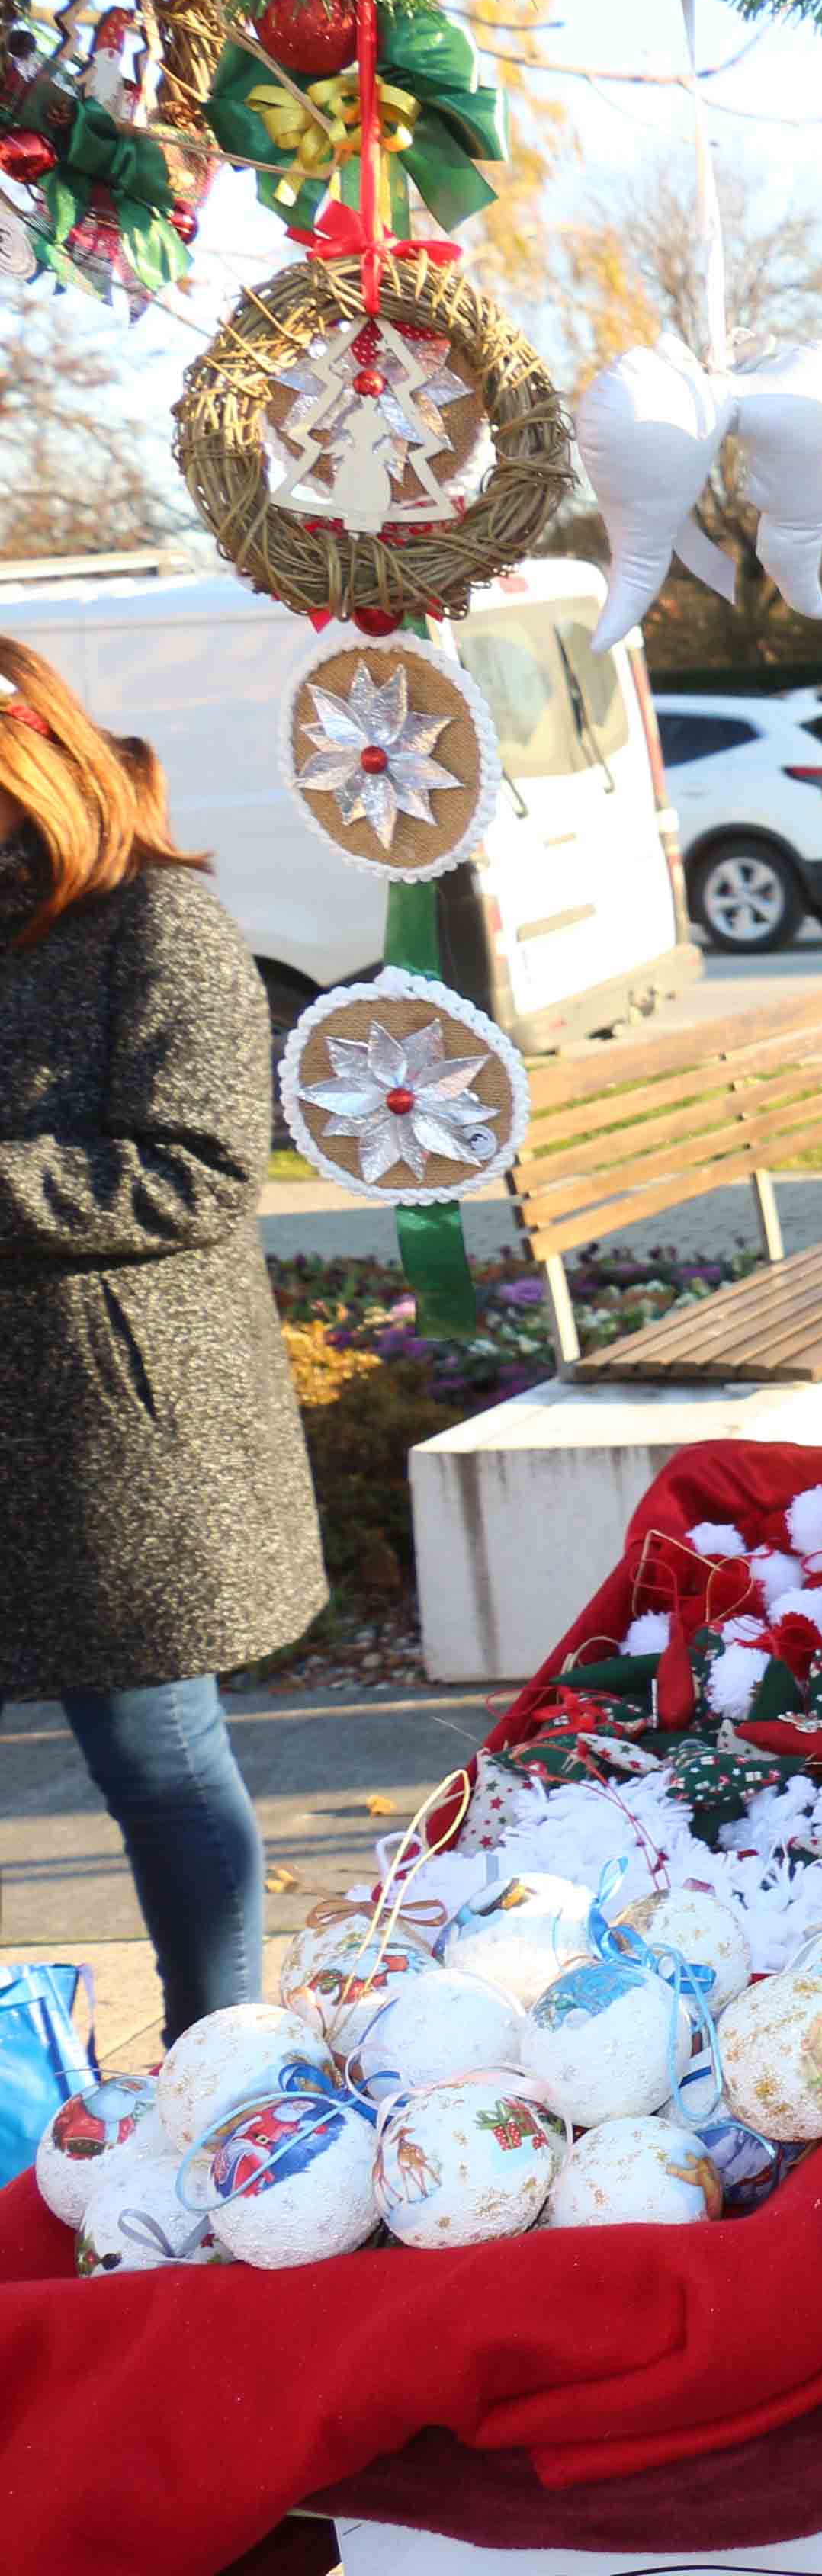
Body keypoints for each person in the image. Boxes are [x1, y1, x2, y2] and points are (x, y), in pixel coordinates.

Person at [0, 638, 322, 2038]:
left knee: (159, 1765)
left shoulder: (155, 922)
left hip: (110, 1437)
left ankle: (218, 2058)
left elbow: (201, 1170)